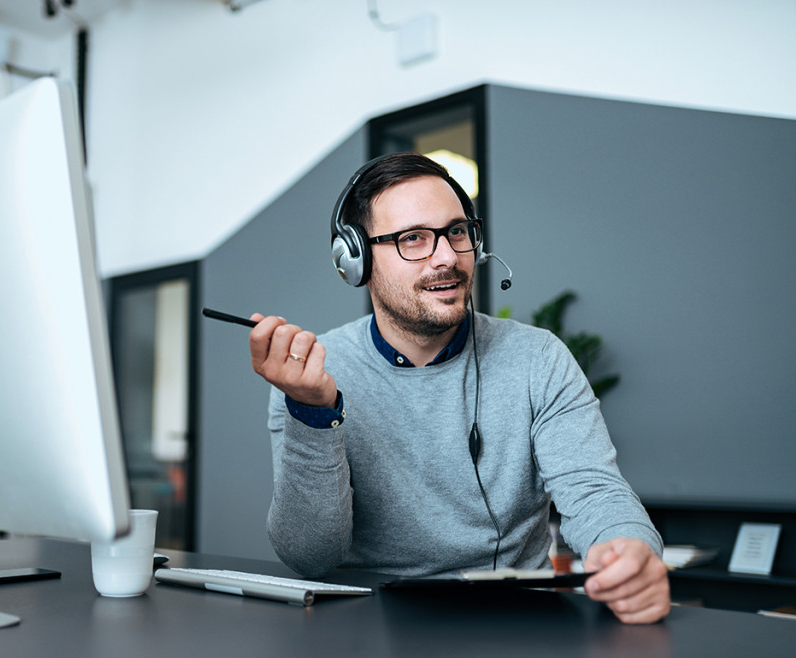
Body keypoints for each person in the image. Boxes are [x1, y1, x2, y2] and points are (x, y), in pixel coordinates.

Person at [246, 152, 670, 624]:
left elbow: (595, 491)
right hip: (368, 627)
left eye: (457, 232)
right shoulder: (311, 373)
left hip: (518, 622)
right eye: (413, 239)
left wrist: (629, 551)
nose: (447, 257)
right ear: (356, 261)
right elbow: (310, 557)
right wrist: (313, 412)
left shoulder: (538, 358)